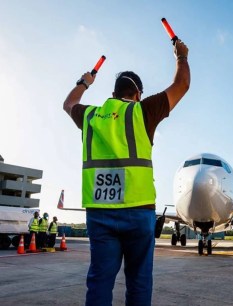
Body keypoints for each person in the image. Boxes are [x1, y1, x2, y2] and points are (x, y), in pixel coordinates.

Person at [63, 39, 190, 306]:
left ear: (114, 92)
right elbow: (182, 86)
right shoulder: (142, 111)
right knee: (139, 280)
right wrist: (181, 57)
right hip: (138, 210)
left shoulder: (91, 116)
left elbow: (69, 103)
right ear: (138, 94)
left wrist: (85, 82)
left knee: (99, 280)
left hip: (99, 211)